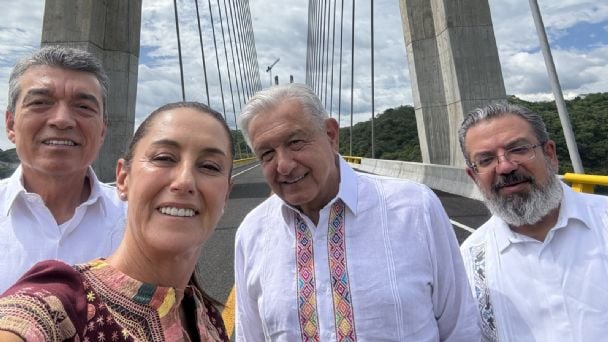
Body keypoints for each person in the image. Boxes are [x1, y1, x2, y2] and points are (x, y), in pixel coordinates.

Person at [234, 83, 479, 341]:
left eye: (295, 142)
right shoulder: (253, 232)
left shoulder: (414, 208)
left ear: (330, 135)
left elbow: (460, 326)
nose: (283, 165)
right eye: (267, 154)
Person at [0, 101, 233, 341]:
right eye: (164, 158)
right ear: (122, 179)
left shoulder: (207, 317)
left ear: (226, 194)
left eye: (209, 166)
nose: (185, 181)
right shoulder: (63, 307)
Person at [458, 103, 608, 341]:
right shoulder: (467, 262)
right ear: (473, 176)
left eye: (518, 149)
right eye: (486, 160)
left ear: (550, 153)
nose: (505, 167)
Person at [0, 46, 127, 292]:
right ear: (11, 124)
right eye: (40, 103)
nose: (62, 120)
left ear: (102, 130)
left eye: (83, 107)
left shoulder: (135, 221)